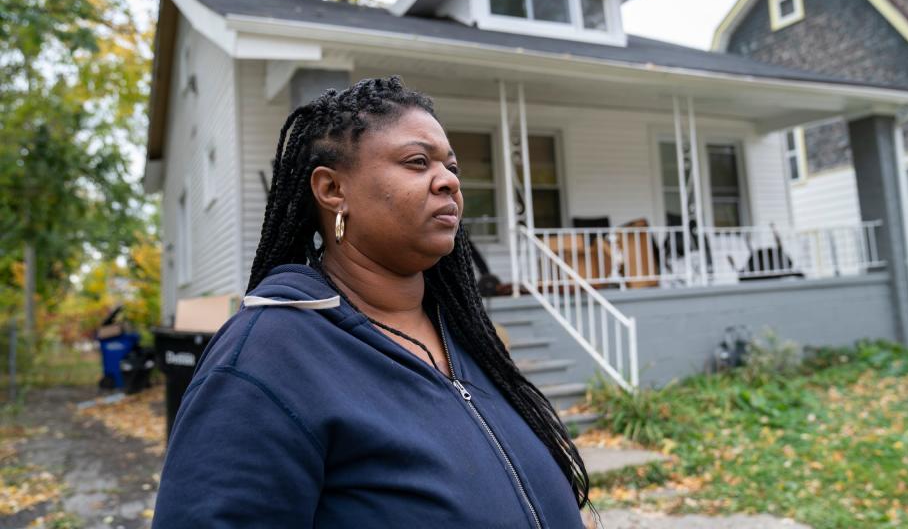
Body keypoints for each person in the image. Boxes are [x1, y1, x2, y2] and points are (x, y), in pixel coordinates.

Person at [152, 76, 590, 527]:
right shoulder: (266, 357)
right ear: (332, 190)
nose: (449, 183)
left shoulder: (466, 339)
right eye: (418, 162)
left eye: (452, 168)